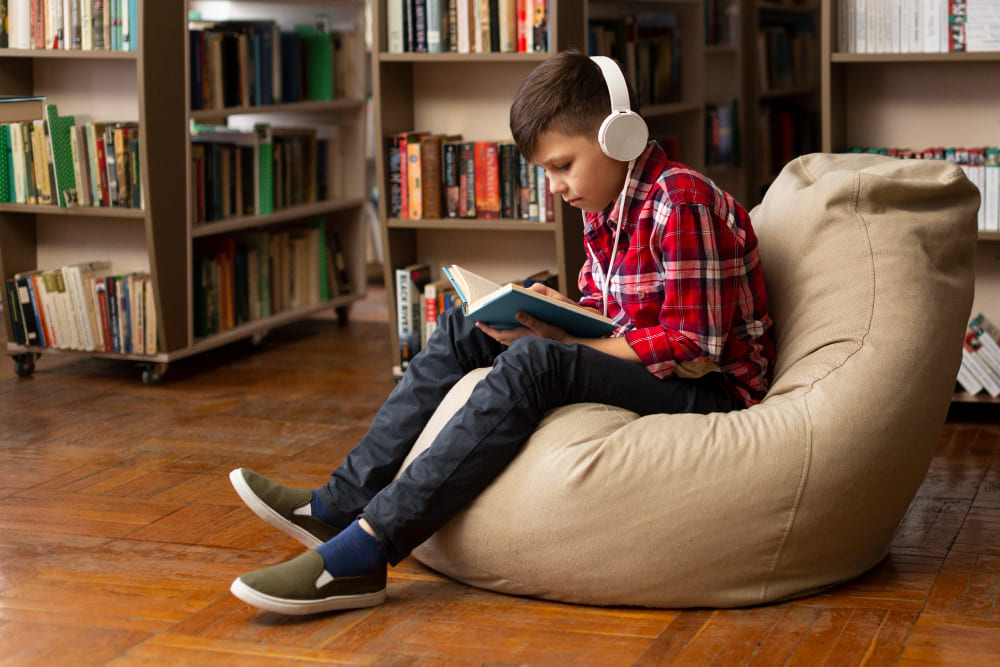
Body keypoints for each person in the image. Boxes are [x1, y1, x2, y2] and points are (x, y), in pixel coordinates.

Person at [228, 50, 775, 616]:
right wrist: (558, 310)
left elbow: (691, 349)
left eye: (563, 165)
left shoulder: (681, 202)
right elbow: (613, 308)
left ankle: (365, 552)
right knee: (471, 323)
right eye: (546, 172)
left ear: (620, 137)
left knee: (535, 362)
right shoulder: (606, 200)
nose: (556, 186)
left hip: (713, 390)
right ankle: (339, 503)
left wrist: (566, 343)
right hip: (652, 358)